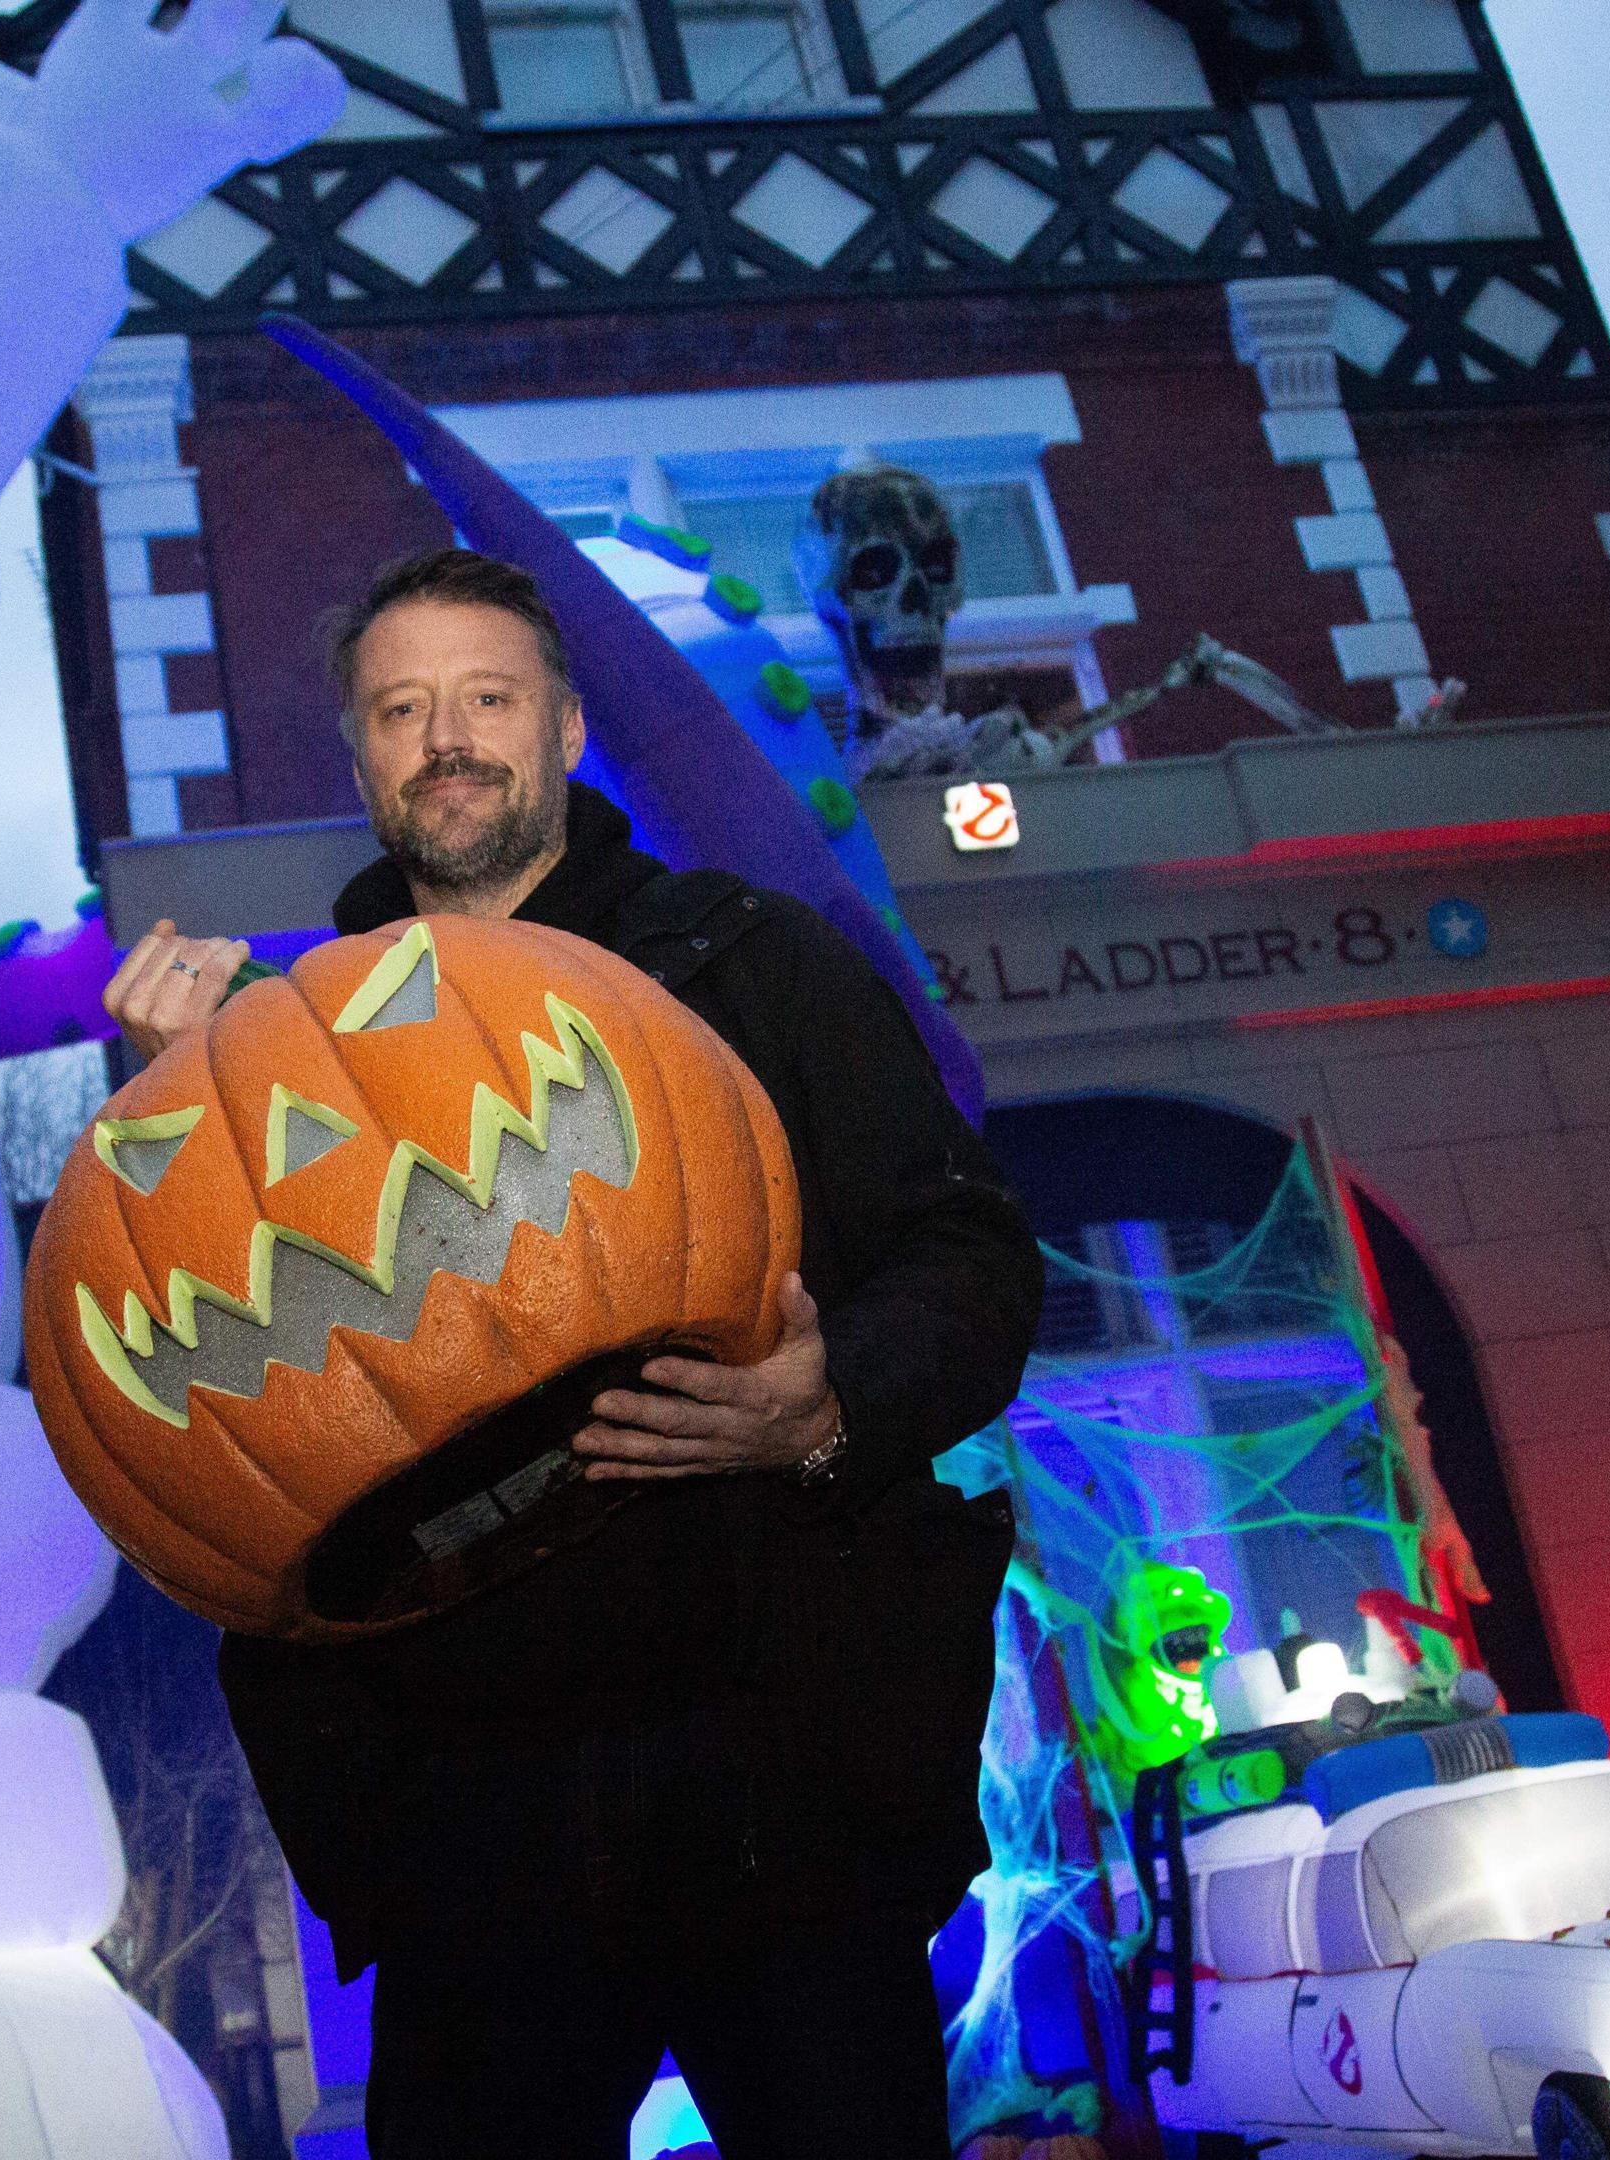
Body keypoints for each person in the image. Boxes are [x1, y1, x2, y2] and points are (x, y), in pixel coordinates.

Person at [106, 547, 1041, 2160]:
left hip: (782, 1773)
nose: (448, 739)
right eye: (403, 709)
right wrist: (181, 1119)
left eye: (488, 699)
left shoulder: (753, 963)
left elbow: (970, 1259)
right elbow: (200, 1373)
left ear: (567, 729)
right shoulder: (271, 1050)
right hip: (475, 1810)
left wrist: (823, 1408)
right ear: (361, 756)